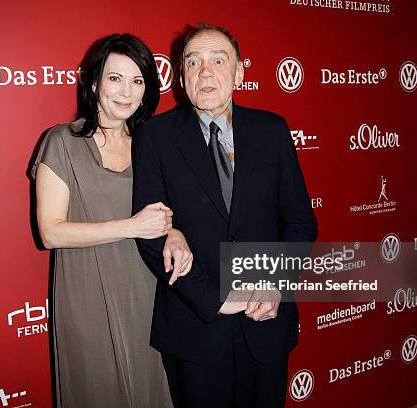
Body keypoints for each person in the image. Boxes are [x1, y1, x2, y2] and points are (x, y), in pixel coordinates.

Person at [132, 24, 317, 408]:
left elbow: (299, 222)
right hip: (194, 326)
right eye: (193, 62)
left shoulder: (273, 131)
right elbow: (150, 232)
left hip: (264, 323)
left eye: (218, 60)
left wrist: (275, 284)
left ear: (239, 72)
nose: (205, 72)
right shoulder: (155, 136)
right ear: (181, 77)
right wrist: (214, 298)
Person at [31, 33, 192, 408]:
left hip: (149, 292)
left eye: (137, 81)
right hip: (87, 294)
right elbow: (50, 231)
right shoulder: (62, 141)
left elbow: (168, 213)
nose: (126, 91)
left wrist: (177, 233)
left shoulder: (151, 143)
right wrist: (130, 226)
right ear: (93, 83)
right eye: (115, 78)